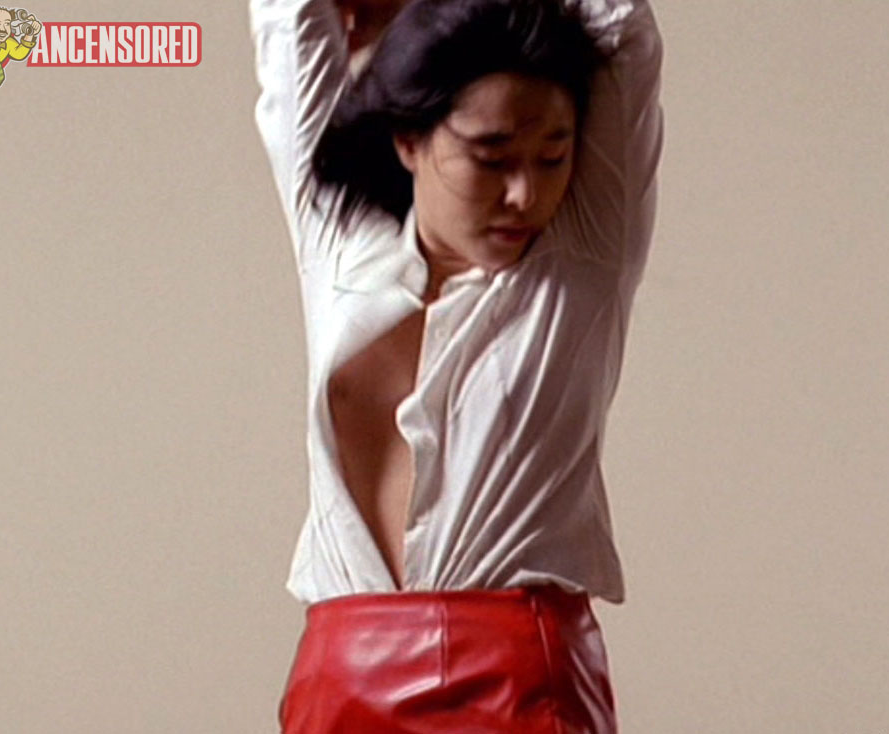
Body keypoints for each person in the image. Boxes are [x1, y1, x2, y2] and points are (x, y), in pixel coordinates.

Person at [248, 0, 662, 729]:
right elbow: (289, 18)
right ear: (409, 139)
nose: (524, 194)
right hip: (339, 672)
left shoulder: (581, 257)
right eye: (490, 156)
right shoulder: (337, 240)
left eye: (553, 157)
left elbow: (619, 19)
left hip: (513, 679)